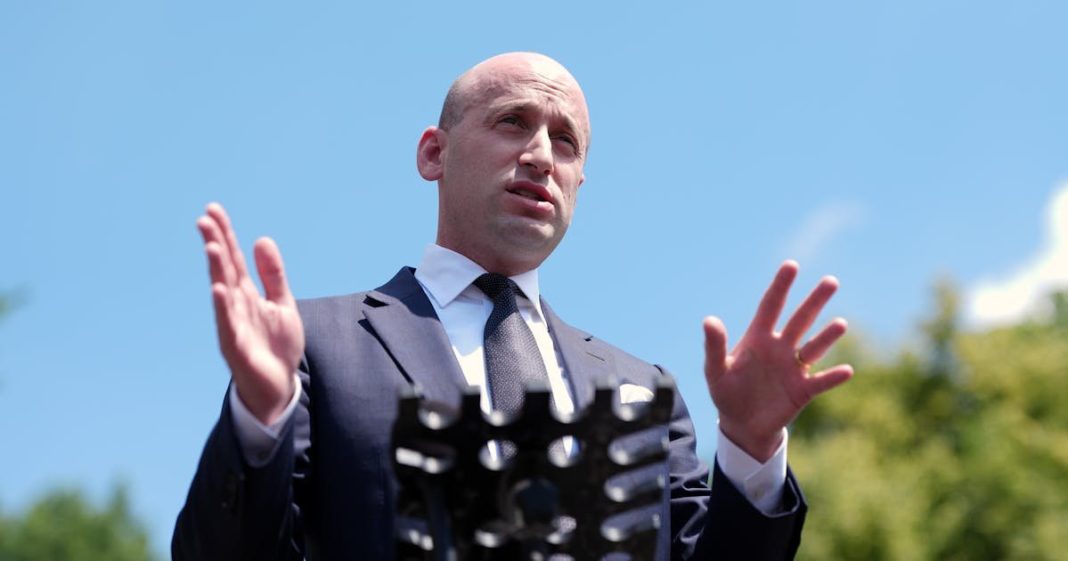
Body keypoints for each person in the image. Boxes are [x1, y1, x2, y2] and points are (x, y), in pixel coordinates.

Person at [173, 52, 853, 560]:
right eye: (513, 122)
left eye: (566, 142)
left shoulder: (644, 390)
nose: (541, 156)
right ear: (433, 153)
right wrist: (260, 420)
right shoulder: (319, 345)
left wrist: (750, 448)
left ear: (579, 184)